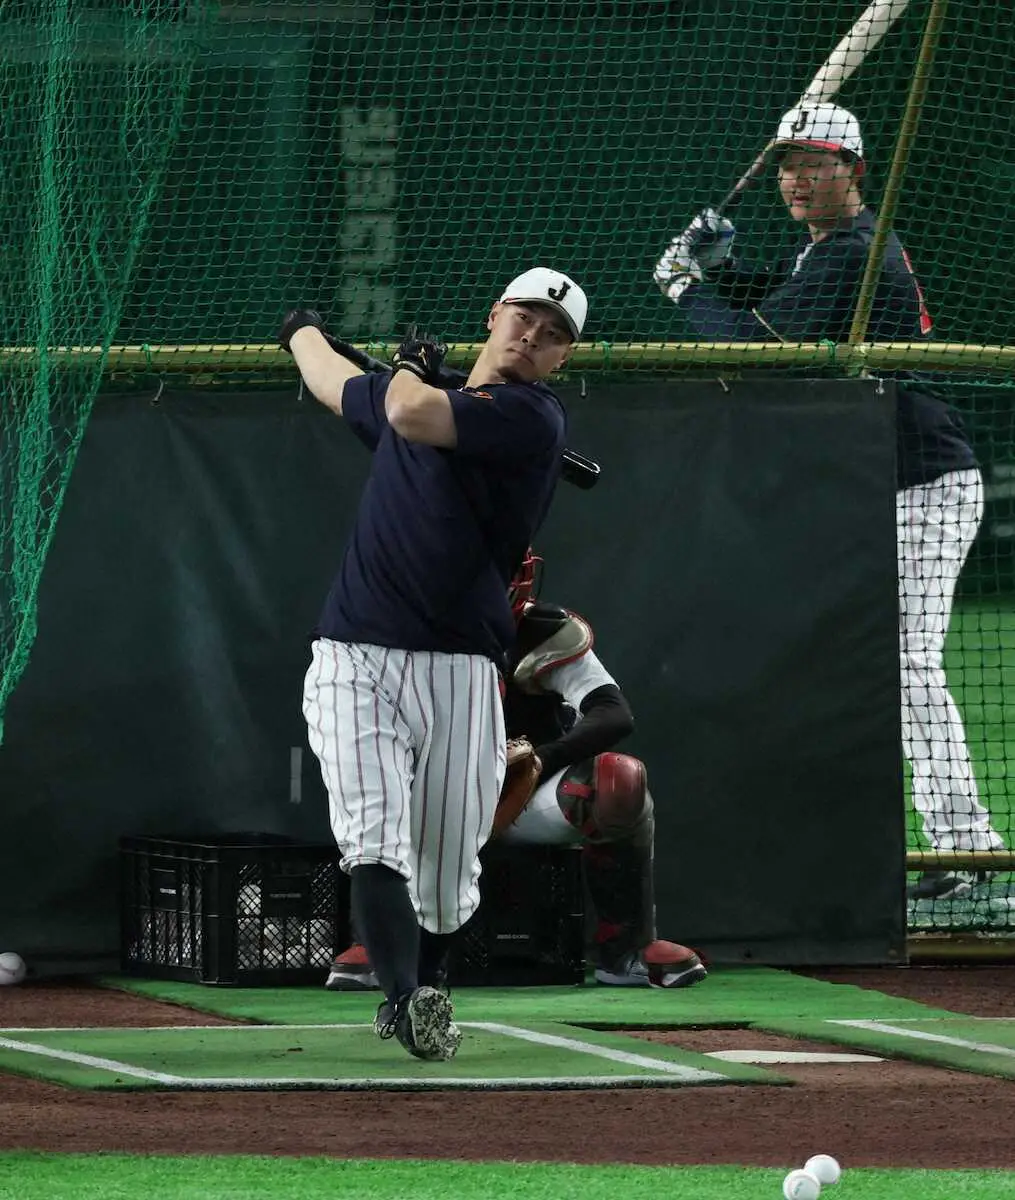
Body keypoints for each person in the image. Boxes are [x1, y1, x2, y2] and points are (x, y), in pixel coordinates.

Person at [651, 103, 1004, 901]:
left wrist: (683, 285)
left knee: (905, 661)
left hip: (922, 481)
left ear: (853, 170)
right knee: (842, 657)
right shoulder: (826, 251)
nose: (794, 179)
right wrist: (722, 268)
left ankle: (969, 850)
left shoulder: (850, 250)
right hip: (870, 484)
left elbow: (756, 351)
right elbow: (776, 297)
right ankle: (888, 841)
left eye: (813, 162)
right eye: (785, 165)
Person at [280, 266, 588, 1060]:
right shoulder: (409, 400)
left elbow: (409, 411)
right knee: (373, 835)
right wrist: (300, 329)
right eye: (524, 316)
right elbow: (334, 384)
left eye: (553, 334)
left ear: (561, 359)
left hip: (458, 668)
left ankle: (427, 981)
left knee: (448, 870)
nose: (532, 335)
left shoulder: (529, 416)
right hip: (353, 652)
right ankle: (402, 998)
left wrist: (410, 368)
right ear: (494, 315)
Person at [326, 548, 707, 992]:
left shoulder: (540, 631)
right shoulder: (394, 626)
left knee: (617, 782)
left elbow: (612, 712)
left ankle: (625, 949)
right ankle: (382, 946)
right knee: (374, 782)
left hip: (520, 795)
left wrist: (541, 759)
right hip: (432, 794)